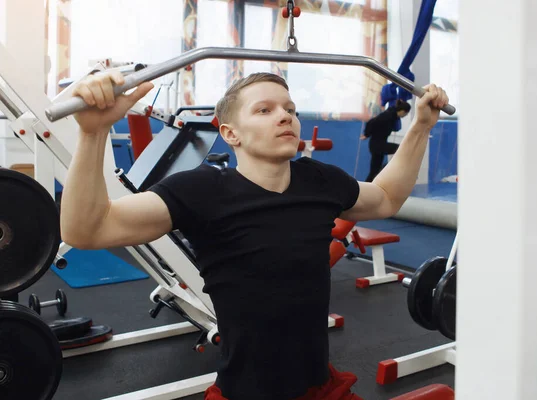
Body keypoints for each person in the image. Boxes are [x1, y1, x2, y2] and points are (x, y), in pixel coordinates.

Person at [60, 71, 448, 400]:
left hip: (319, 386)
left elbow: (385, 198)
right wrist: (93, 134)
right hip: (245, 391)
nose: (285, 117)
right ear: (231, 133)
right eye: (265, 110)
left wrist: (420, 126)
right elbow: (88, 229)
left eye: (290, 109)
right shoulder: (200, 192)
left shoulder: (319, 181)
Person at [361, 99, 411, 182]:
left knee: (374, 172)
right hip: (377, 144)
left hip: (378, 145)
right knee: (401, 149)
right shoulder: (389, 115)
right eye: (406, 113)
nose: (406, 115)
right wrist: (366, 134)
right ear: (403, 111)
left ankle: (365, 189)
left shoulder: (393, 116)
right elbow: (371, 122)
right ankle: (388, 170)